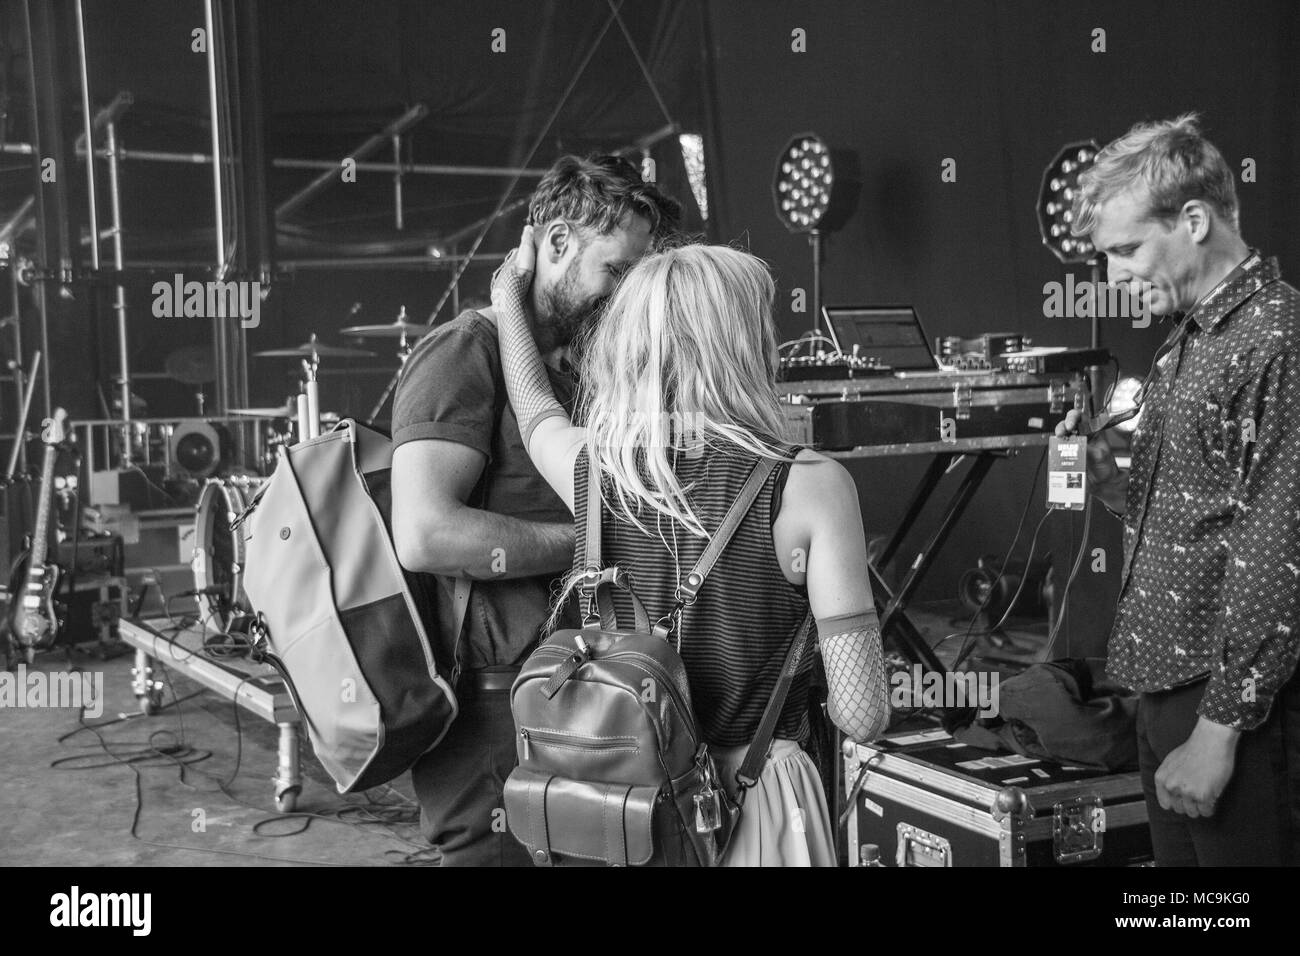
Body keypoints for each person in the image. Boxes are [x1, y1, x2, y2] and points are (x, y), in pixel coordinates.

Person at [490, 231, 891, 866]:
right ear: (745, 346)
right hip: (758, 803)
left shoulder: (595, 472)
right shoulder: (811, 486)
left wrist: (510, 296)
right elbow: (861, 713)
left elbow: (535, 407)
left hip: (635, 816)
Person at [390, 155, 680, 866]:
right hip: (493, 712)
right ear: (555, 243)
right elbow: (425, 534)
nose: (623, 296)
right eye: (614, 272)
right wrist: (593, 546)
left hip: (582, 691)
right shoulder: (466, 350)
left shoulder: (581, 369)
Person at [1056, 114, 1300, 866]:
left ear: (1194, 220)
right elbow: (1197, 518)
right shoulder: (1192, 337)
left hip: (1237, 714)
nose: (1113, 276)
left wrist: (1219, 730)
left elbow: (1278, 550)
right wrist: (1109, 480)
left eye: (1126, 249)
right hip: (1168, 699)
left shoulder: (1275, 336)